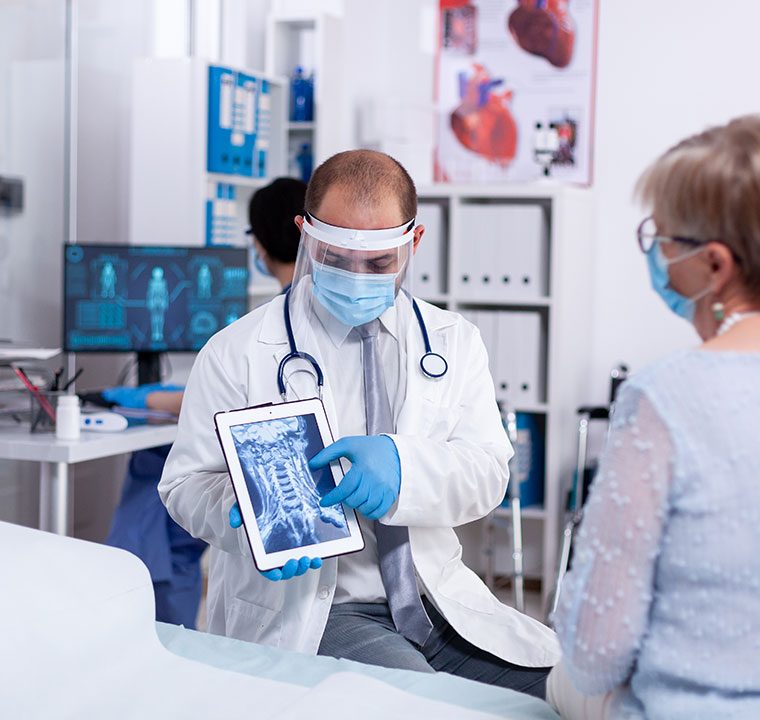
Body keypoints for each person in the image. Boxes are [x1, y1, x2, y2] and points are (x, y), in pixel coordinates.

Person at [158, 149, 559, 696]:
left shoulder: (454, 342)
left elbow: (489, 474)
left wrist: (403, 467)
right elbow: (184, 484)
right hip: (321, 610)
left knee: (569, 694)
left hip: (436, 600)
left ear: (414, 242)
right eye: (336, 258)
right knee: (423, 705)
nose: (355, 277)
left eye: (377, 263)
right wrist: (243, 513)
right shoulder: (238, 351)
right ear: (304, 234)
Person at [546, 115, 760, 719]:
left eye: (663, 238)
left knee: (561, 680)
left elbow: (596, 652)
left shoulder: (664, 397)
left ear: (715, 266)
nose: (655, 254)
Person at [103, 177, 307, 628]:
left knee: (155, 466)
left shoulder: (276, 322)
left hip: (274, 478)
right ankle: (153, 597)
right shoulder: (291, 315)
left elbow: (243, 400)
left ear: (258, 245)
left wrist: (142, 399)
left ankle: (140, 606)